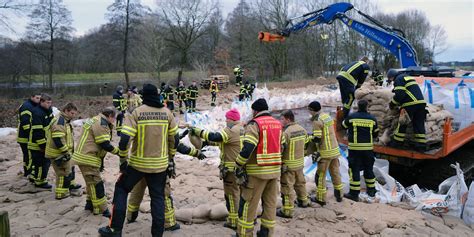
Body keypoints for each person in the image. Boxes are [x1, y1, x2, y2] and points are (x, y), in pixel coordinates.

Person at [98, 83, 178, 237]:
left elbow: (124, 139)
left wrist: (122, 159)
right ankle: (157, 233)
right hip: (159, 166)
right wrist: (171, 159)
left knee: (122, 189)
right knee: (158, 198)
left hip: (137, 165)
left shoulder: (136, 113)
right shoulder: (167, 113)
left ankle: (115, 229)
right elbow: (174, 138)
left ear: (143, 96)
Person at [126, 143, 206, 231]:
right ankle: (169, 224)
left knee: (137, 192)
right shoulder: (163, 129)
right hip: (157, 166)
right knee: (164, 195)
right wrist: (196, 153)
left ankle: (131, 216)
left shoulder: (139, 128)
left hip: (139, 165)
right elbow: (176, 143)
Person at [234, 98, 284, 237]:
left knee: (248, 205)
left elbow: (248, 148)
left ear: (255, 111)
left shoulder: (255, 124)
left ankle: (244, 233)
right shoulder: (278, 124)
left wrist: (238, 164)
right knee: (270, 204)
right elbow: (283, 145)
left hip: (257, 173)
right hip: (274, 172)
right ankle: (266, 232)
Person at [191, 108, 244, 230]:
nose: (226, 121)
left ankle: (233, 221)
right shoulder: (242, 129)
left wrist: (198, 131)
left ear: (231, 119)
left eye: (226, 118)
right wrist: (204, 144)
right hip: (241, 170)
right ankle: (242, 217)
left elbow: (215, 136)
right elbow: (223, 142)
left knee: (231, 195)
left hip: (231, 170)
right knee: (241, 194)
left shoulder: (231, 130)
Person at [72, 107, 119, 217]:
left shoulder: (94, 119)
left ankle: (89, 204)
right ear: (110, 116)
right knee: (96, 184)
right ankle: (101, 209)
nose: (114, 121)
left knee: (90, 182)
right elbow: (104, 144)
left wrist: (101, 162)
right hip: (88, 158)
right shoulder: (101, 123)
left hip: (84, 155)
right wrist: (119, 152)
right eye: (114, 118)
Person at [307, 101, 343, 206]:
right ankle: (339, 195)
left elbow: (317, 138)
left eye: (309, 110)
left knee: (320, 176)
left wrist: (309, 139)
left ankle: (321, 198)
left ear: (312, 110)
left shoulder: (316, 121)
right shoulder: (327, 117)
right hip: (335, 149)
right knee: (335, 172)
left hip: (325, 152)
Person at [342, 100, 378, 202]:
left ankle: (354, 194)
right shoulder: (372, 119)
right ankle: (371, 191)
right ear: (367, 107)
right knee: (369, 169)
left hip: (355, 149)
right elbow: (375, 134)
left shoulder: (352, 117)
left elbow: (343, 125)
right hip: (368, 149)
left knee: (354, 170)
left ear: (357, 106)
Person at [277, 110, 310, 218]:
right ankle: (303, 201)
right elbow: (306, 145)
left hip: (288, 165)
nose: (280, 121)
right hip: (300, 163)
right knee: (300, 183)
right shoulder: (302, 129)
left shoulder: (286, 133)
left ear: (287, 119)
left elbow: (280, 148)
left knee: (287, 187)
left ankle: (287, 210)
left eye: (282, 119)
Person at [45, 103, 82, 199]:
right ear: (66, 111)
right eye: (72, 113)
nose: (74, 116)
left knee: (68, 170)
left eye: (75, 114)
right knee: (62, 173)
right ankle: (61, 193)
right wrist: (65, 151)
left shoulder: (65, 120)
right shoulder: (60, 121)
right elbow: (58, 139)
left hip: (63, 152)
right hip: (58, 153)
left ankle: (69, 186)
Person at [386, 69, 427, 151]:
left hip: (410, 104)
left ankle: (397, 143)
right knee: (418, 124)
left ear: (391, 77)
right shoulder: (406, 77)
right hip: (421, 103)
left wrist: (392, 103)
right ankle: (421, 145)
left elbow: (400, 95)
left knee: (402, 123)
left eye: (390, 79)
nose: (391, 81)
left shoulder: (398, 79)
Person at [28, 93, 54, 189]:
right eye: (47, 103)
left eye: (50, 103)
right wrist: (43, 146)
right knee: (42, 163)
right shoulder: (37, 113)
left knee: (38, 163)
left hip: (44, 141)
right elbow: (38, 132)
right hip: (36, 144)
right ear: (41, 102)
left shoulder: (48, 110)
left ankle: (34, 176)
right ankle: (40, 182)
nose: (49, 105)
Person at [17, 92, 41, 180]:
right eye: (37, 98)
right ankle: (28, 172)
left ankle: (28, 172)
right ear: (32, 97)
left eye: (40, 98)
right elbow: (25, 123)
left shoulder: (33, 105)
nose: (39, 100)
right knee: (28, 155)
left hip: (27, 136)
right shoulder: (27, 106)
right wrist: (32, 135)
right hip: (25, 137)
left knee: (27, 155)